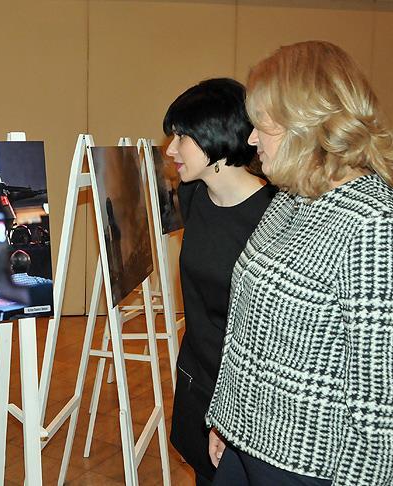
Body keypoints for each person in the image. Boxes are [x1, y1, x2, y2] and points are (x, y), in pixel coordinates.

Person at [206, 41, 393, 485]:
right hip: (249, 440)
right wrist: (227, 420)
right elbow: (250, 328)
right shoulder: (293, 196)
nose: (250, 139)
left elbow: (386, 405)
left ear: (307, 124)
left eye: (261, 126)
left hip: (312, 467)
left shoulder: (378, 226)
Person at [161, 78, 274, 486]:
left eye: (183, 137)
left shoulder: (272, 217)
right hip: (197, 377)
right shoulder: (191, 195)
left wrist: (233, 414)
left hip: (246, 397)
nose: (171, 149)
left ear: (219, 136)